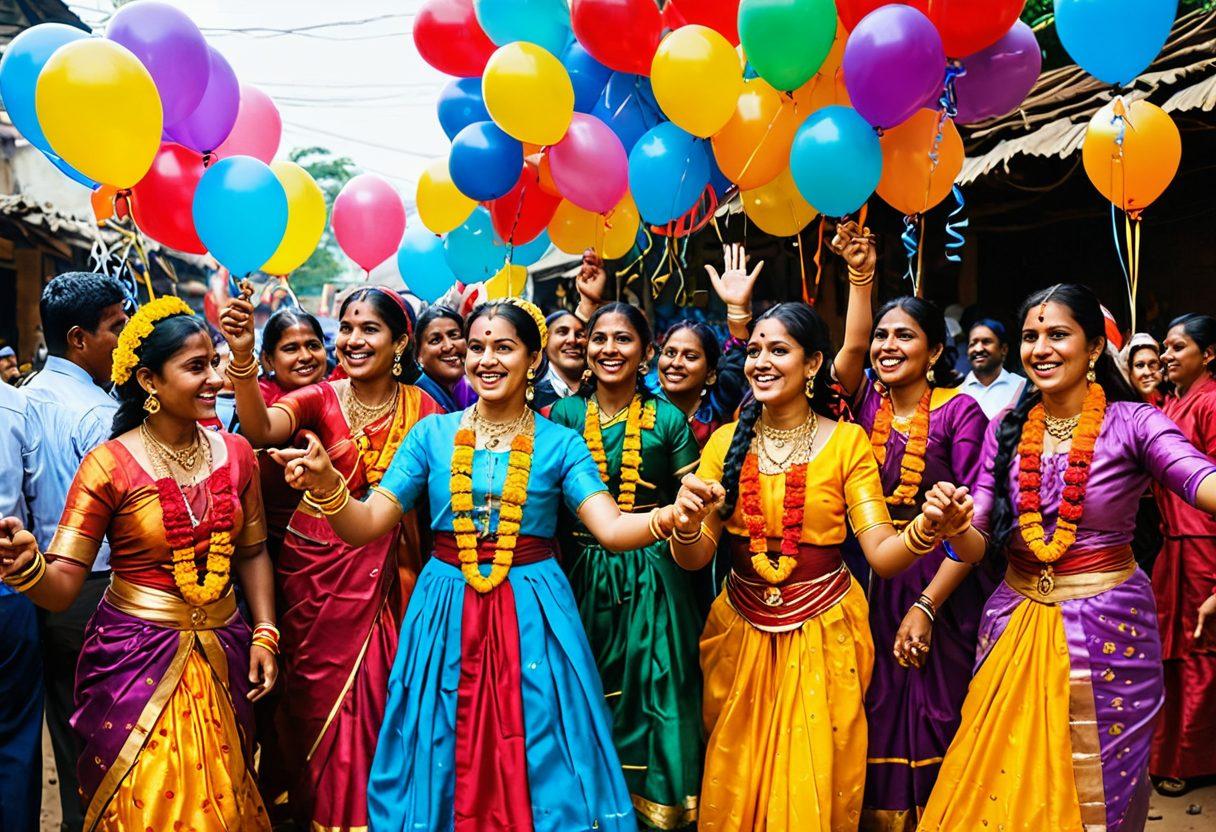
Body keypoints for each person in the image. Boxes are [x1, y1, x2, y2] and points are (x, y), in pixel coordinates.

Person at [272, 299, 694, 830]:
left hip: (534, 612)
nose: (486, 360)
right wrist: (329, 486)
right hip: (445, 607)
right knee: (441, 741)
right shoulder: (431, 435)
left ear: (533, 359)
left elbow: (609, 528)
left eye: (503, 347)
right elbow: (367, 523)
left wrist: (668, 516)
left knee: (544, 744)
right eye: (476, 347)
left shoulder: (561, 443)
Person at [918, 285, 1216, 832]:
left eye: (1058, 334)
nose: (1041, 349)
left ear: (1095, 348)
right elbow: (976, 542)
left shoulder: (1133, 422)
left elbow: (1200, 479)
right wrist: (957, 527)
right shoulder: (1008, 428)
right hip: (1015, 619)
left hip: (1110, 628)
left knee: (1097, 788)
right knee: (1001, 779)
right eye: (1030, 336)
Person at [670, 301, 977, 831]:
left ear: (813, 363)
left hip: (824, 629)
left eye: (778, 350)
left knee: (810, 783)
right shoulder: (724, 442)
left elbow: (882, 556)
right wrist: (685, 524)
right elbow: (696, 558)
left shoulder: (846, 441)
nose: (761, 362)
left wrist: (927, 528)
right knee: (736, 778)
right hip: (740, 629)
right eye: (755, 350)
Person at [0, 297, 278, 832]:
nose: (215, 379)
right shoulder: (108, 465)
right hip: (134, 663)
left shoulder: (237, 453)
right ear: (149, 380)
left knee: (227, 804)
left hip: (226, 653)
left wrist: (265, 631)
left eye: (214, 362)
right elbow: (63, 587)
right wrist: (28, 567)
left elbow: (251, 551)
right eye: (196, 367)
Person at [219, 284, 443, 832]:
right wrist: (245, 360)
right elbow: (260, 428)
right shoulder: (320, 397)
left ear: (400, 342)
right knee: (316, 703)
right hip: (317, 576)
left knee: (387, 697)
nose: (353, 340)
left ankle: (377, 815)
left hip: (399, 574)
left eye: (370, 329)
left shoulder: (427, 409)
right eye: (346, 329)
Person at [828, 222, 991, 830]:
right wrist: (860, 278)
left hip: (941, 578)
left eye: (906, 336)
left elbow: (974, 519)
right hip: (867, 574)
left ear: (936, 352)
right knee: (871, 704)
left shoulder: (959, 412)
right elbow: (849, 352)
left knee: (938, 708)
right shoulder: (861, 403)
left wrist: (926, 605)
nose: (888, 345)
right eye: (883, 335)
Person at [550, 302, 704, 829]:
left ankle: (657, 811)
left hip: (653, 576)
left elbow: (692, 503)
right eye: (599, 339)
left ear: (646, 353)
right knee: (583, 691)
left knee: (658, 692)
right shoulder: (564, 415)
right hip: (579, 574)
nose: (609, 349)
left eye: (623, 339)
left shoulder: (669, 419)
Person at [21, 272, 129, 832]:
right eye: (117, 327)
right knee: (113, 735)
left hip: (38, 584)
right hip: (95, 587)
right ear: (79, 338)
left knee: (67, 730)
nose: (126, 339)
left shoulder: (22, 400)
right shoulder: (97, 415)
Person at [1150, 314, 1216, 794]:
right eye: (1165, 347)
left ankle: (1191, 761)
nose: (1166, 355)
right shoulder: (1173, 402)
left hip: (1204, 546)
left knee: (1200, 651)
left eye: (1177, 347)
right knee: (1171, 653)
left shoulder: (1211, 402)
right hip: (1172, 545)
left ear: (1208, 354)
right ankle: (1169, 754)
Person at [654, 243, 753, 449]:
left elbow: (739, 354)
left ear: (711, 375)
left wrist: (737, 308)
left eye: (690, 356)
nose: (676, 363)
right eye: (670, 353)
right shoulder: (638, 403)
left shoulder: (718, 410)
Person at [0, 381, 38, 832]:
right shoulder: (14, 403)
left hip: (9, 591)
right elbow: (38, 497)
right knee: (13, 740)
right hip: (9, 588)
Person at [412, 304, 477, 413]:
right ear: (418, 356)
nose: (448, 346)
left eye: (454, 335)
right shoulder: (417, 404)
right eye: (435, 340)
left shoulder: (466, 391)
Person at [959, 318, 1026, 418]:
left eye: (986, 342)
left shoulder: (1021, 386)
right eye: (972, 344)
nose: (978, 349)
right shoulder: (957, 391)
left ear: (1003, 349)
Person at [532, 309, 587, 409]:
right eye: (562, 332)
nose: (572, 340)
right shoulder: (529, 397)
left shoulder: (603, 392)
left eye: (580, 335)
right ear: (544, 340)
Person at [1122, 333, 1165, 407]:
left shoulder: (1166, 399)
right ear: (1129, 370)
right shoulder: (1122, 408)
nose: (1147, 372)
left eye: (1152, 364)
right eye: (1140, 365)